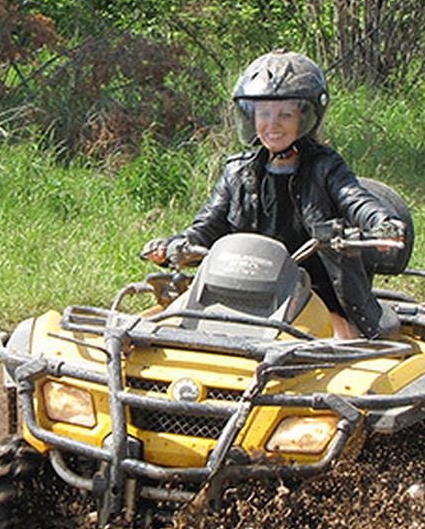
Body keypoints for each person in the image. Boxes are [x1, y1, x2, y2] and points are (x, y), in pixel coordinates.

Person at [142, 49, 404, 340]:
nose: (272, 124)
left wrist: (383, 222)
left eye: (285, 114)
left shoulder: (326, 166)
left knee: (339, 346)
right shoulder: (237, 172)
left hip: (319, 296)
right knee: (168, 329)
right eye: (264, 113)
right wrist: (174, 247)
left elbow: (355, 199)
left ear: (306, 117)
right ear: (250, 116)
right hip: (243, 292)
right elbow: (208, 226)